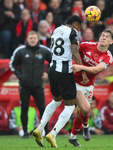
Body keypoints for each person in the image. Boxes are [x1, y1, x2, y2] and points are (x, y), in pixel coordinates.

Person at [32, 15, 87, 148]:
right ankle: (53, 133)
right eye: (79, 27)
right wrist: (83, 71)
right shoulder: (72, 31)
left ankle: (40, 128)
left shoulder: (56, 30)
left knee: (56, 101)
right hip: (64, 70)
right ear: (75, 24)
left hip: (52, 69)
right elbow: (74, 53)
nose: (79, 31)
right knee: (69, 106)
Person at [68, 29, 113, 147]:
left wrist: (81, 67)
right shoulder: (87, 45)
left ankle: (73, 137)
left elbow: (96, 69)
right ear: (99, 38)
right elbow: (73, 50)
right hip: (73, 81)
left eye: (107, 37)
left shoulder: (108, 56)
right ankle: (86, 126)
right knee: (86, 108)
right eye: (102, 35)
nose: (104, 37)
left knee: (81, 111)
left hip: (88, 84)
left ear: (111, 41)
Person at [9, 31, 52, 138]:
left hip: (38, 85)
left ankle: (46, 132)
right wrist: (21, 76)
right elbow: (12, 64)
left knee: (43, 109)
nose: (32, 40)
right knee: (24, 108)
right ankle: (24, 132)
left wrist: (48, 73)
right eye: (30, 38)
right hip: (24, 85)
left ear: (38, 39)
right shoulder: (20, 51)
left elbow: (55, 61)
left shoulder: (44, 50)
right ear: (27, 39)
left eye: (34, 38)